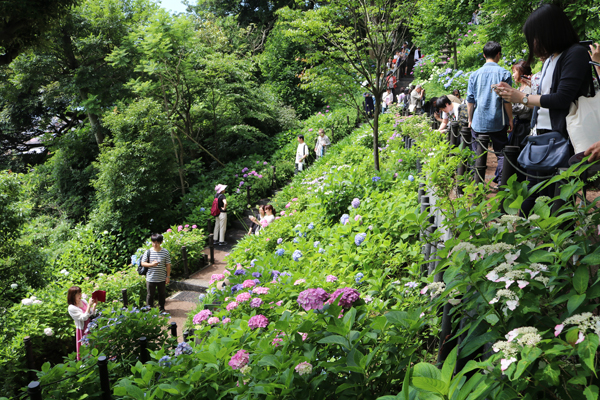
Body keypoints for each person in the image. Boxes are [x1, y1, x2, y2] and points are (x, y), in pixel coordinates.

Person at [496, 4, 594, 214]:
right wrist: (512, 93)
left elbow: (561, 98)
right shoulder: (550, 59)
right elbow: (544, 96)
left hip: (562, 137)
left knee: (554, 198)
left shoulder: (575, 53)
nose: (533, 43)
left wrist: (520, 97)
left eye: (535, 37)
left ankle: (527, 234)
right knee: (541, 194)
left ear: (549, 32)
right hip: (543, 136)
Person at [467, 41, 513, 186]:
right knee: (501, 154)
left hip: (478, 122)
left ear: (484, 55)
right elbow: (507, 100)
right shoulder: (504, 73)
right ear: (498, 54)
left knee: (478, 153)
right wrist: (510, 119)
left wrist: (470, 119)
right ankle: (501, 182)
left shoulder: (474, 75)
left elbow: (470, 100)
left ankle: (477, 184)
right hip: (498, 122)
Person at [141, 233, 171, 312]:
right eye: (153, 242)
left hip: (161, 278)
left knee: (162, 294)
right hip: (151, 278)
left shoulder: (165, 252)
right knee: (150, 295)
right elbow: (143, 263)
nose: (155, 244)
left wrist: (168, 277)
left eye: (157, 242)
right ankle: (149, 310)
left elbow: (168, 265)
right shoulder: (148, 252)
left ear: (161, 242)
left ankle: (162, 308)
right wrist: (151, 264)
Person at [67, 286, 97, 360]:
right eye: (77, 294)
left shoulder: (83, 301)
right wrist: (89, 305)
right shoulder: (71, 308)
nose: (80, 295)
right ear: (72, 296)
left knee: (96, 344)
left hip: (91, 326)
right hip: (83, 330)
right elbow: (83, 318)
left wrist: (94, 306)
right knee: (87, 349)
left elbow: (91, 314)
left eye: (80, 293)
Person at [509, 61, 533, 148]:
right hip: (517, 125)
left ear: (521, 73)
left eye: (514, 72)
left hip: (524, 127)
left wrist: (508, 108)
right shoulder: (519, 88)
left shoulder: (528, 89)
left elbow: (524, 108)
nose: (513, 75)